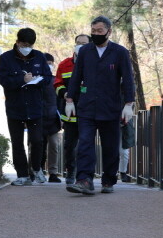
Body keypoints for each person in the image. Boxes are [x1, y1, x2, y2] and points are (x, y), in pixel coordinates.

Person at [65, 16, 135, 195]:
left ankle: (108, 180)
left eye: (100, 31)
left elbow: (127, 79)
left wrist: (129, 103)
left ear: (109, 32)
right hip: (87, 106)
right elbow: (76, 76)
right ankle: (84, 180)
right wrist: (70, 100)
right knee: (85, 143)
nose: (96, 34)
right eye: (93, 31)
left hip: (111, 107)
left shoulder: (119, 52)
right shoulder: (85, 52)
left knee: (110, 147)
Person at [0, 28, 52, 186]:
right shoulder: (6, 58)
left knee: (37, 140)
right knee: (17, 142)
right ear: (17, 42)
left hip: (35, 106)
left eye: (30, 45)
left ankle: (36, 168)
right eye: (24, 44)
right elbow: (4, 80)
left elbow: (48, 78)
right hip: (15, 107)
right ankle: (22, 175)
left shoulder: (39, 57)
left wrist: (37, 80)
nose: (27, 47)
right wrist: (22, 80)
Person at [54, 34, 91, 185]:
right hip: (69, 112)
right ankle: (71, 172)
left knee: (86, 145)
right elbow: (57, 83)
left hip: (88, 112)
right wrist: (65, 93)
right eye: (78, 43)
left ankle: (84, 175)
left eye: (84, 43)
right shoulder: (64, 64)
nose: (80, 45)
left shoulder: (94, 63)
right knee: (69, 145)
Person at [41, 53, 62, 183]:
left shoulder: (56, 81)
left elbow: (61, 101)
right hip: (37, 119)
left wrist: (62, 117)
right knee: (36, 146)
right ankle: (35, 169)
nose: (48, 65)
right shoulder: (35, 80)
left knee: (54, 145)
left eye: (50, 63)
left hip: (54, 119)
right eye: (46, 63)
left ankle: (53, 172)